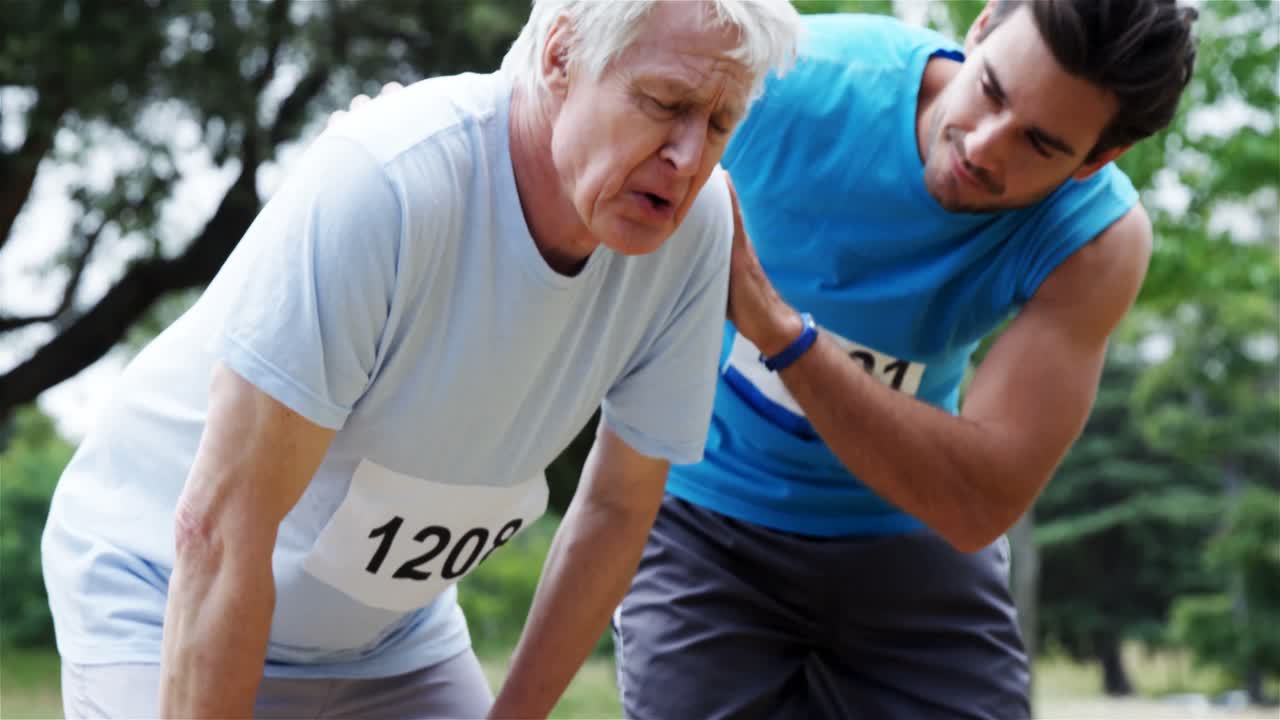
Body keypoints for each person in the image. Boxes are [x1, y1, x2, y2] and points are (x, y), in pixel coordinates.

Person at [40, 1, 801, 718]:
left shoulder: (697, 229)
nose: (688, 155)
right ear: (562, 53)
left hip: (392, 641)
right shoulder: (389, 182)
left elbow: (617, 507)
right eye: (665, 103)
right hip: (161, 585)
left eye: (721, 120)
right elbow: (220, 528)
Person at [611, 1, 1200, 719]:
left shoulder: (1096, 240)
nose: (985, 147)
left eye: (1039, 144)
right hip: (702, 515)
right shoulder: (784, 78)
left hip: (910, 535)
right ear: (979, 29)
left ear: (1098, 160)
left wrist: (781, 333)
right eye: (991, 90)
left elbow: (979, 500)